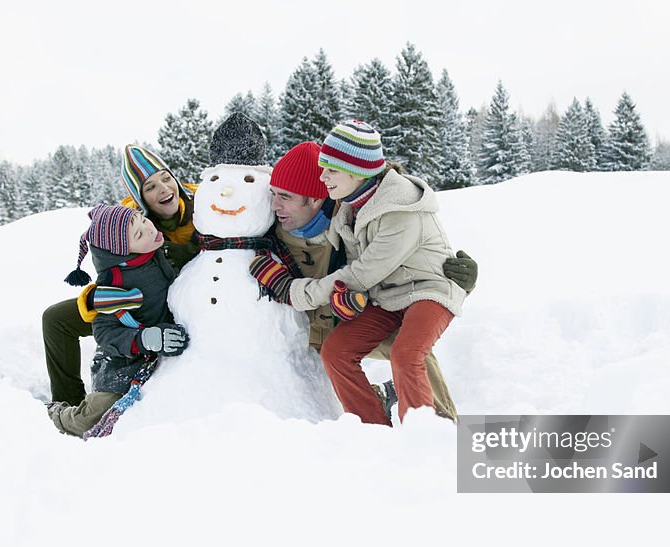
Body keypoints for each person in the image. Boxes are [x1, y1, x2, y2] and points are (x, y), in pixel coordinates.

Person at [250, 121, 466, 425]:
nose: (274, 205)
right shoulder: (349, 208)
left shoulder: (395, 210)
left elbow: (361, 272)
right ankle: (371, 427)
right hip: (386, 297)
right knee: (336, 351)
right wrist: (351, 299)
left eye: (284, 196)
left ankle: (432, 430)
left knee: (408, 351)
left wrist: (292, 290)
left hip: (424, 292)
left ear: (358, 171)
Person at [42, 145, 198, 406]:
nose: (163, 189)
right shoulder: (128, 221)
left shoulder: (207, 206)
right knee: (56, 319)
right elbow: (113, 271)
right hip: (143, 302)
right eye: (149, 187)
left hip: (183, 301)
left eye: (166, 178)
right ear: (139, 199)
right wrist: (95, 301)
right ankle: (67, 403)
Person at [48, 204, 188, 436]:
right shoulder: (114, 286)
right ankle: (59, 416)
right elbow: (104, 331)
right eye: (139, 234)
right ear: (123, 251)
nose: (149, 229)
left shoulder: (160, 250)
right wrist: (144, 339)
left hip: (166, 346)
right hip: (125, 359)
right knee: (95, 415)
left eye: (142, 220)